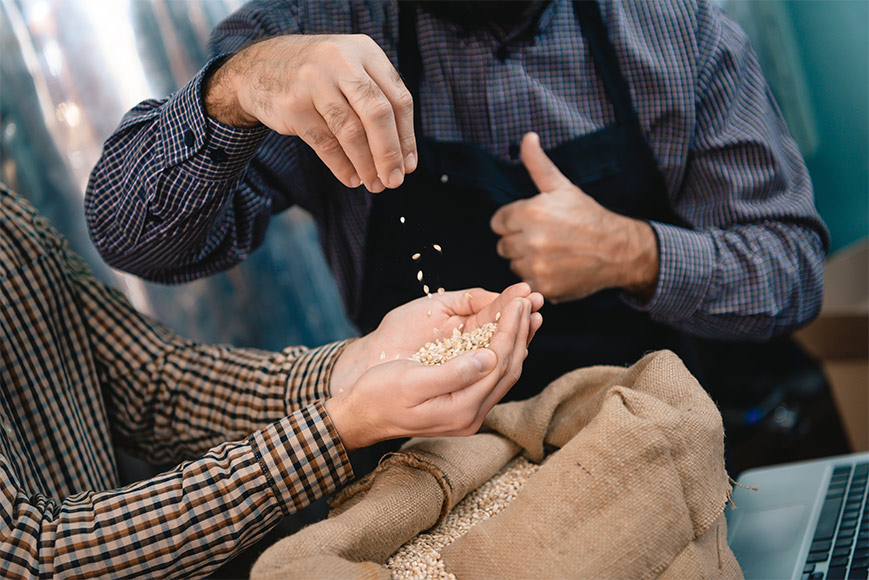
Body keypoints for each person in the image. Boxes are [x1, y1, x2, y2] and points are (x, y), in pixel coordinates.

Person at [85, 0, 828, 401]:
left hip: (667, 430)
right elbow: (132, 240)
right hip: (435, 473)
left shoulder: (675, 29)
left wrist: (634, 254)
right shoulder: (314, 25)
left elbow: (790, 272)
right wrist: (236, 87)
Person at [0, 184, 542, 578]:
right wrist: (339, 427)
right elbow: (28, 557)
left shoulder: (8, 221)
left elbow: (153, 387)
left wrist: (353, 365)